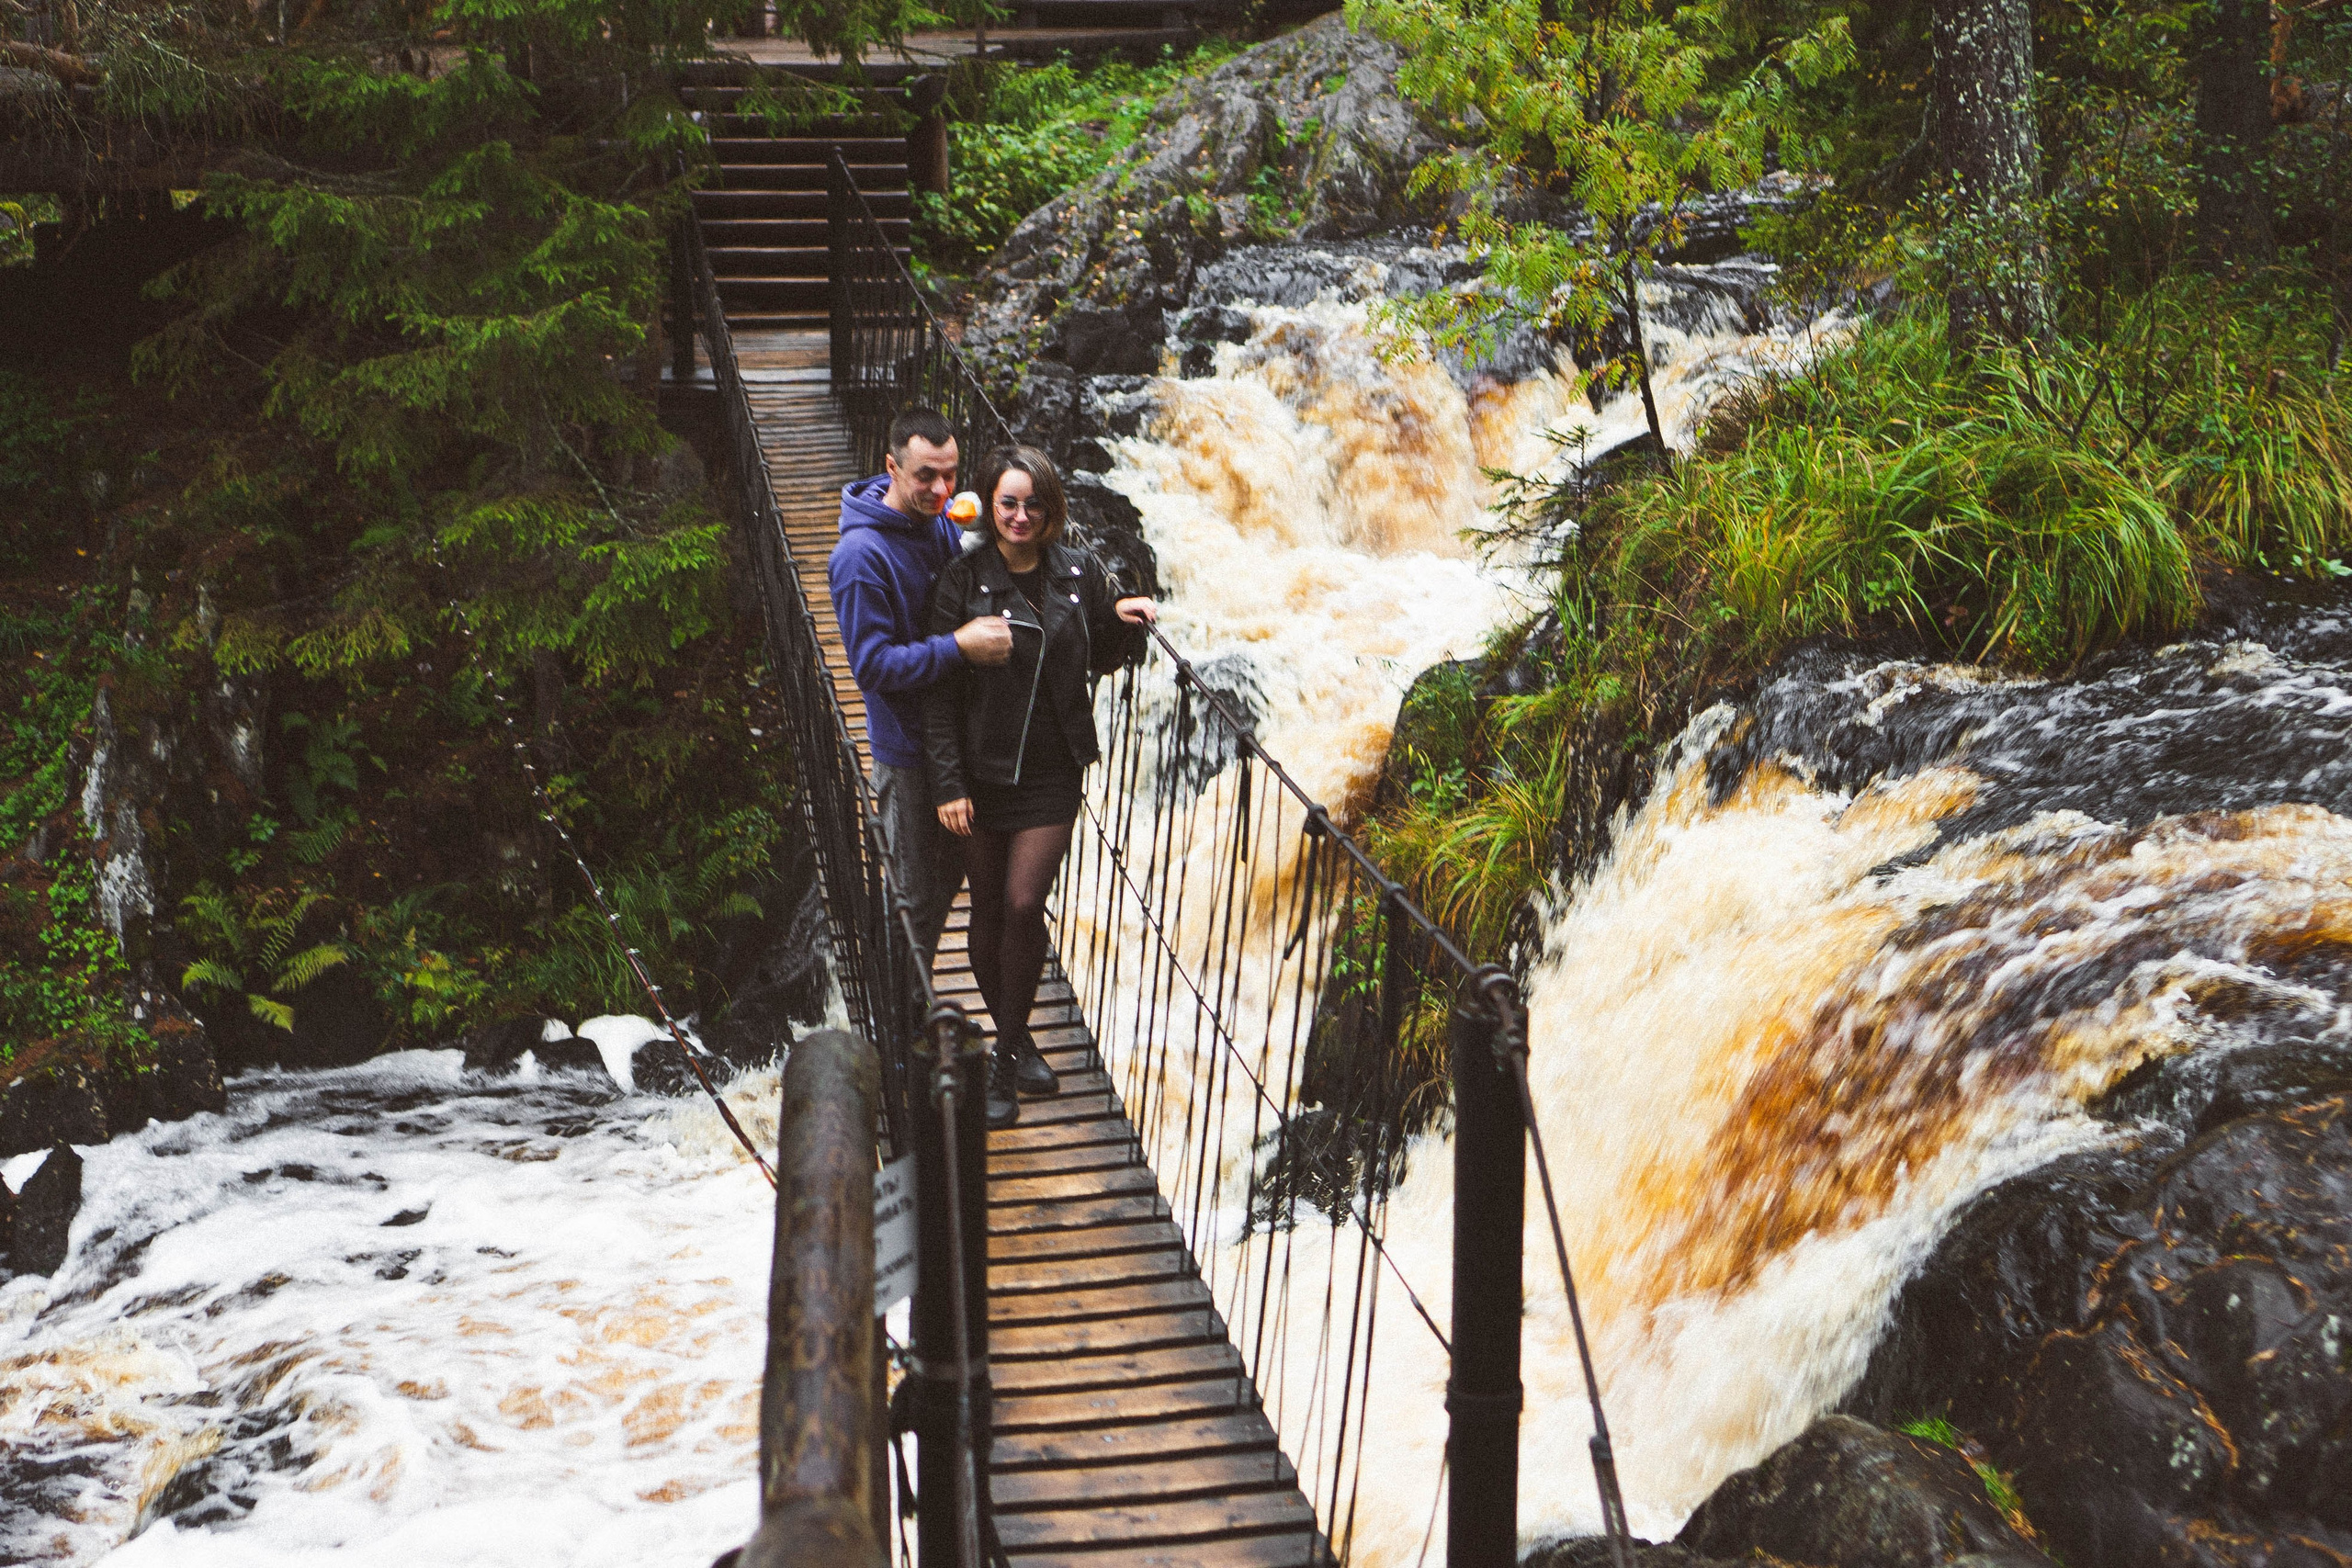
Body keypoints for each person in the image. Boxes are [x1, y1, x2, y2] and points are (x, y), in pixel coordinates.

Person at [922, 445, 1158, 1129]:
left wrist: (1121, 616)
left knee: (1024, 904)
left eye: (1032, 504)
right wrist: (948, 784)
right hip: (981, 773)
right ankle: (1018, 1035)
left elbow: (1096, 655)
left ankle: (1002, 1061)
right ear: (989, 505)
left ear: (1050, 508)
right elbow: (939, 694)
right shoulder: (962, 580)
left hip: (1052, 771)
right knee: (988, 908)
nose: (1020, 516)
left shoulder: (1078, 573)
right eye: (1008, 503)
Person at [829, 408, 1013, 980]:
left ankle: (912, 1003)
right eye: (926, 476)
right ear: (892, 467)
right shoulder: (860, 557)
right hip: (906, 749)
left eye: (951, 475)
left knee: (944, 882)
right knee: (911, 897)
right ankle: (896, 1013)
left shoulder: (937, 521)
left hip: (953, 739)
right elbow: (873, 667)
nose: (941, 489)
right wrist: (959, 646)